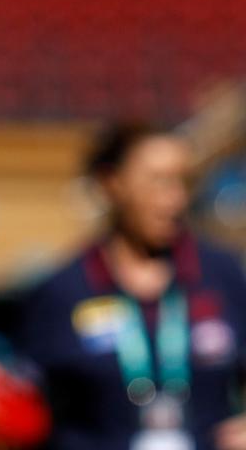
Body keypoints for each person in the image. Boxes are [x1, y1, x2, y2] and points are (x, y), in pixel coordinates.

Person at [19, 122, 246, 450]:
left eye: (183, 182)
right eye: (157, 182)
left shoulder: (222, 275)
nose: (175, 199)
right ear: (112, 184)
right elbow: (28, 405)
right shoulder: (63, 291)